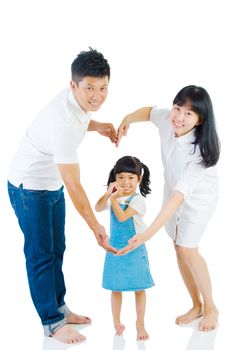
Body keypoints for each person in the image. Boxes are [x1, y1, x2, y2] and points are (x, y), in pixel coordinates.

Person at [7, 48, 118, 344]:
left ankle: (60, 307)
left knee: (58, 248)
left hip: (50, 186)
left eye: (103, 88)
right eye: (89, 88)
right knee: (41, 254)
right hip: (29, 189)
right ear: (74, 85)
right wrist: (96, 226)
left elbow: (81, 118)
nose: (97, 96)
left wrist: (97, 127)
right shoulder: (63, 123)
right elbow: (75, 186)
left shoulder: (77, 107)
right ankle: (51, 322)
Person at [116, 85, 220, 332]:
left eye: (189, 114)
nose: (179, 117)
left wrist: (146, 234)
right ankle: (196, 305)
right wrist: (127, 120)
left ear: (199, 120)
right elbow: (149, 112)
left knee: (188, 248)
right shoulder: (168, 119)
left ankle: (211, 306)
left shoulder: (200, 152)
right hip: (172, 189)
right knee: (177, 246)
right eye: (177, 108)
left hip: (197, 200)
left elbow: (179, 197)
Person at [95, 156, 154, 340]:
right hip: (115, 249)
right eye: (121, 177)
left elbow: (122, 217)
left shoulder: (137, 200)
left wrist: (113, 199)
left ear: (138, 179)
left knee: (139, 288)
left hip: (135, 249)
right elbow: (97, 208)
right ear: (115, 178)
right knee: (115, 288)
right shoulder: (114, 196)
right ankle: (116, 322)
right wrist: (108, 194)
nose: (125, 182)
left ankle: (140, 323)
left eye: (130, 177)